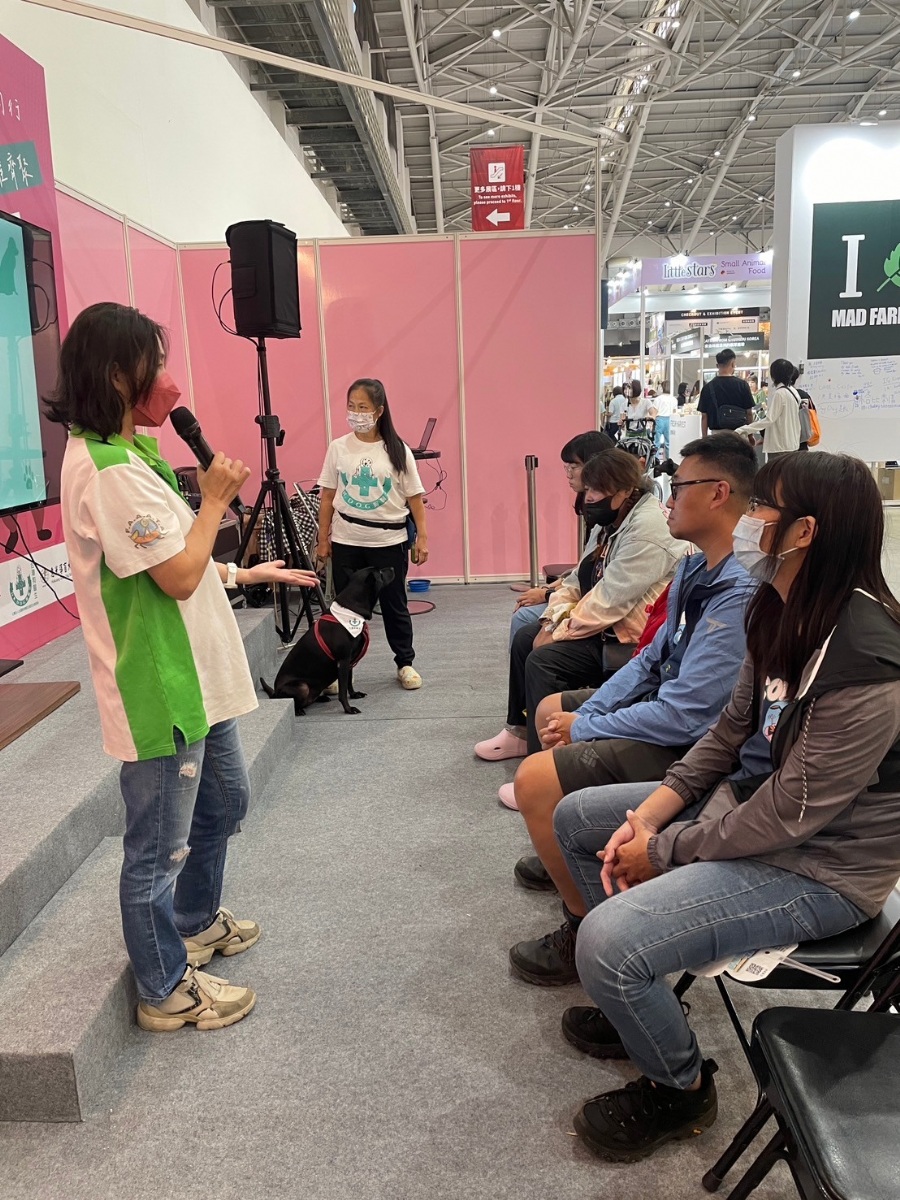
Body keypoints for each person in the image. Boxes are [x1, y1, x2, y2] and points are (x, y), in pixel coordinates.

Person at [550, 450, 900, 1163]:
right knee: (577, 819)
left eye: (761, 507)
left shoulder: (868, 660)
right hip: (754, 810)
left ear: (803, 531)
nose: (747, 520)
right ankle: (639, 1003)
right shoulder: (778, 604)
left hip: (821, 869)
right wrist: (654, 814)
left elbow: (792, 814)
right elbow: (729, 729)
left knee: (609, 942)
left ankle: (679, 1089)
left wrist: (664, 849)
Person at [48, 302, 320, 1032]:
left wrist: (243, 572)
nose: (169, 380)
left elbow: (176, 556)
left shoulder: (131, 452)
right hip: (160, 685)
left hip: (196, 674)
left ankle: (195, 921)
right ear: (118, 376)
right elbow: (174, 575)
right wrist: (216, 500)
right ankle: (164, 988)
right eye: (156, 364)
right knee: (157, 849)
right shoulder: (107, 471)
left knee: (224, 803)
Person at [505, 434, 757, 981]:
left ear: (718, 494)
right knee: (550, 709)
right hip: (667, 707)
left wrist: (588, 725)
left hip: (696, 744)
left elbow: (687, 717)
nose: (667, 497)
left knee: (534, 779)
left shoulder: (738, 591)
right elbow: (650, 661)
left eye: (679, 487)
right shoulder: (695, 567)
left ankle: (582, 928)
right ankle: (567, 853)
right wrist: (589, 713)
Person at [475, 449, 687, 762]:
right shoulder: (610, 520)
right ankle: (522, 732)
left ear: (625, 491)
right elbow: (577, 580)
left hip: (628, 635)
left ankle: (547, 759)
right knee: (525, 639)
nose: (588, 497)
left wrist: (558, 632)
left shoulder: (648, 530)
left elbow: (610, 600)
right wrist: (550, 623)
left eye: (596, 490)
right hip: (606, 623)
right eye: (587, 488)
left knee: (544, 660)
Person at [316, 378, 428, 690]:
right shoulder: (338, 448)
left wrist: (422, 537)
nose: (356, 413)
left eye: (363, 407)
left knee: (395, 606)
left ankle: (405, 662)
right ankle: (342, 668)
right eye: (351, 406)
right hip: (347, 539)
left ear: (379, 411)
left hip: (388, 541)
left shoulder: (397, 450)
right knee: (345, 609)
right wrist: (323, 538)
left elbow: (415, 499)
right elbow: (327, 497)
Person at [509, 430, 615, 649]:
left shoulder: (612, 512)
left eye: (574, 467)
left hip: (601, 606)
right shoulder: (596, 509)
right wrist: (554, 587)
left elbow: (603, 584)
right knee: (525, 616)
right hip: (587, 592)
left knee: (524, 619)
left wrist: (548, 595)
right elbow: (587, 565)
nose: (568, 474)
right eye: (567, 467)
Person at [737, 358, 803, 459]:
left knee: (775, 469)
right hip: (792, 443)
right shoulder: (793, 392)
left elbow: (769, 419)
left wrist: (743, 429)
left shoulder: (780, 393)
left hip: (779, 446)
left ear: (773, 375)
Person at [698, 349, 754, 434]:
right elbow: (749, 413)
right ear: (733, 364)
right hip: (739, 434)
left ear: (717, 366)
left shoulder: (707, 388)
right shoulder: (742, 385)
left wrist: (704, 438)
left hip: (717, 434)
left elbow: (704, 417)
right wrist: (750, 435)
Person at [651, 380, 677, 455]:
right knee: (668, 443)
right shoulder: (674, 399)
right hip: (670, 420)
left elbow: (654, 412)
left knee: (657, 442)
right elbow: (674, 412)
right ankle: (669, 459)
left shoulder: (658, 399)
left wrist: (651, 423)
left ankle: (655, 459)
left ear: (662, 387)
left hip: (659, 420)